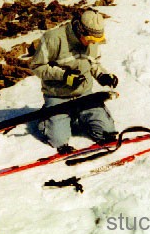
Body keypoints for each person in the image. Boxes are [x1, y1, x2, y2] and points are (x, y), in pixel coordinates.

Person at [30, 9, 119, 154]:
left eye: (95, 41)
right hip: (58, 97)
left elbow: (94, 63)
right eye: (90, 40)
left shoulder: (92, 41)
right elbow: (36, 67)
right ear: (80, 30)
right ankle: (47, 116)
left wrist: (103, 75)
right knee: (58, 140)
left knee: (107, 132)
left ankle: (79, 117)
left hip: (84, 95)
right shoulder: (53, 38)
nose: (92, 44)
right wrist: (64, 76)